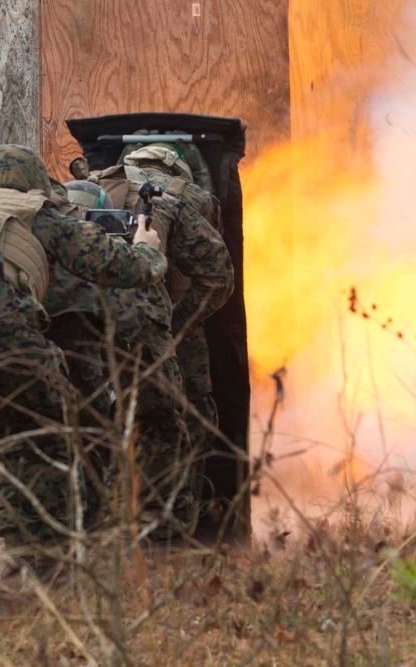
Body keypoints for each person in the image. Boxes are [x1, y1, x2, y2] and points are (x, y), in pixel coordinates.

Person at [0, 144, 166, 568]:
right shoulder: (37, 216)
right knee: (54, 444)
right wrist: (148, 248)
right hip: (16, 346)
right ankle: (48, 559)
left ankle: (4, 544)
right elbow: (118, 266)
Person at [123, 141, 234, 524]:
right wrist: (177, 322)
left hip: (102, 332)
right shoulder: (188, 198)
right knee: (187, 422)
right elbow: (217, 276)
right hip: (170, 340)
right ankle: (176, 525)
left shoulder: (98, 188)